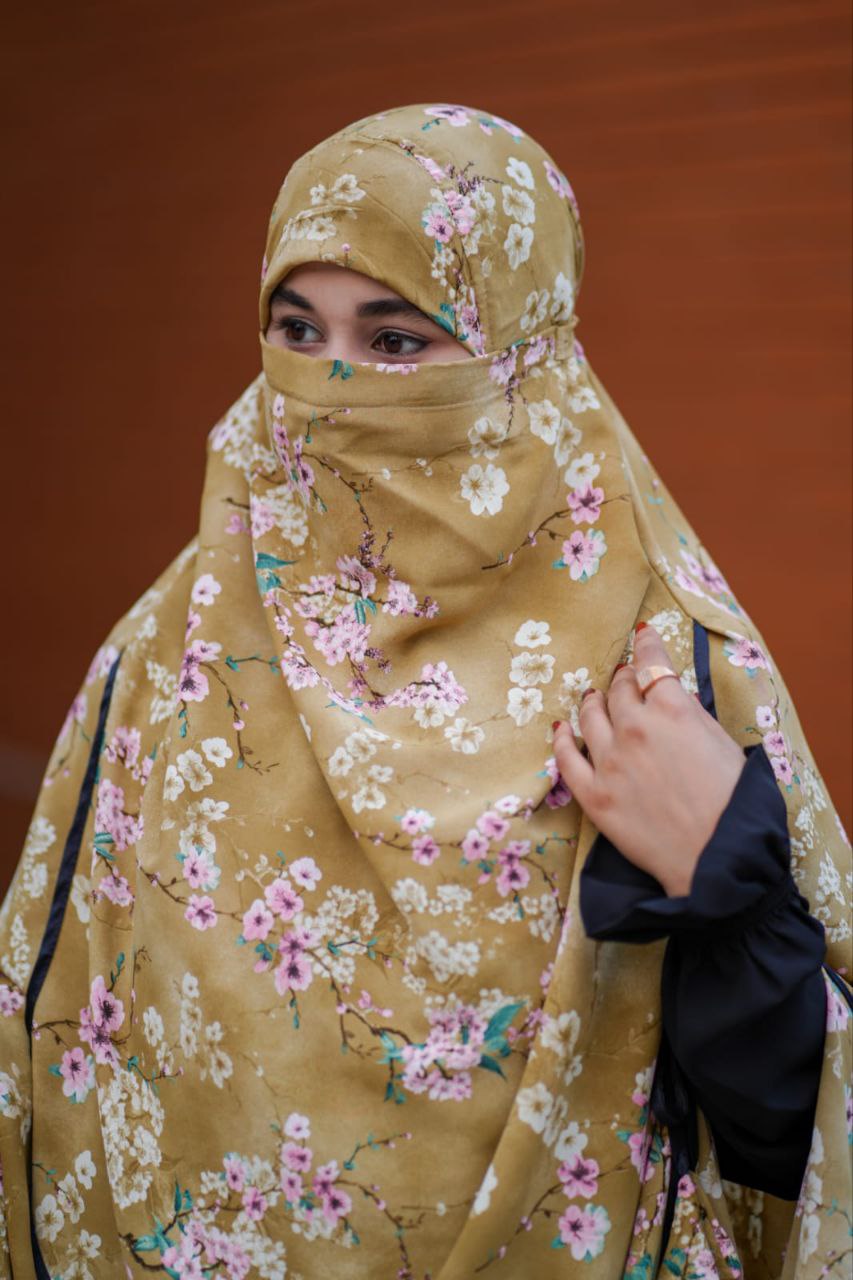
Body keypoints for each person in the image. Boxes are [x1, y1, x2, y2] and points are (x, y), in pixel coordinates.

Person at [0, 102, 849, 1280]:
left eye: (397, 339)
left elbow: (799, 1131)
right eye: (297, 329)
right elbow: (49, 1033)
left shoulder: (662, 668)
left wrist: (727, 883)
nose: (334, 380)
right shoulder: (174, 645)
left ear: (524, 356)